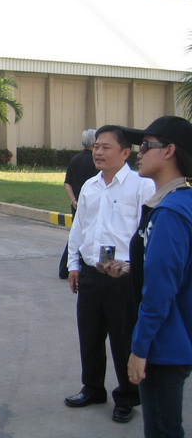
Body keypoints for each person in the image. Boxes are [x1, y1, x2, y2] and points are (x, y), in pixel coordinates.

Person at [102, 116, 192, 438]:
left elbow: (159, 293)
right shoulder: (179, 203)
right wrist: (135, 268)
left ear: (169, 151)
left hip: (164, 344)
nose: (139, 153)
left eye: (146, 146)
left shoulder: (170, 213)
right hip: (175, 337)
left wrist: (139, 349)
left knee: (162, 430)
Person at [64, 125, 154, 423]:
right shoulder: (90, 186)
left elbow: (146, 234)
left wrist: (136, 271)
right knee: (89, 336)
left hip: (123, 277)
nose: (98, 152)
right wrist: (74, 264)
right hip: (91, 274)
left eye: (106, 147)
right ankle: (92, 388)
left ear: (125, 152)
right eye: (96, 147)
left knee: (122, 339)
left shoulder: (141, 186)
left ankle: (127, 396)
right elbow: (79, 228)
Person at [59, 129, 98, 279]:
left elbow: (67, 183)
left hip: (77, 204)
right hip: (90, 205)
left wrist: (74, 200)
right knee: (84, 234)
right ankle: (71, 267)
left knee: (76, 234)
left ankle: (66, 267)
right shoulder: (96, 162)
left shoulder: (75, 159)